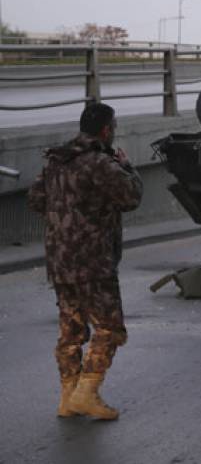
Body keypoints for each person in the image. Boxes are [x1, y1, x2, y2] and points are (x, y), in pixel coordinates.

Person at [28, 103, 143, 420]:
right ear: (106, 130)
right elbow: (131, 196)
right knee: (109, 328)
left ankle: (68, 396)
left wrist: (66, 214)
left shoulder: (57, 160)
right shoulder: (100, 163)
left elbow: (36, 199)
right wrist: (128, 167)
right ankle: (86, 394)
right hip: (93, 262)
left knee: (71, 331)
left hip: (60, 260)